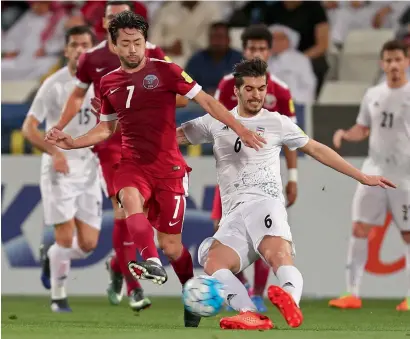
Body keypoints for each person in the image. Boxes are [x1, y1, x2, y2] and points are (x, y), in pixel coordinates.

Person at [45, 11, 264, 326]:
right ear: (115, 45)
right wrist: (72, 141)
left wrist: (240, 128)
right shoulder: (107, 83)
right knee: (129, 198)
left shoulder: (168, 71)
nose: (133, 49)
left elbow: (207, 102)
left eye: (138, 42)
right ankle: (149, 260)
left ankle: (191, 296)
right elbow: (105, 130)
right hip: (132, 163)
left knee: (172, 247)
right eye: (126, 44)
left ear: (145, 42)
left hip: (169, 169)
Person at [177, 58, 395, 330]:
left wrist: (361, 176)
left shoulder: (277, 122)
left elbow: (316, 149)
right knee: (212, 260)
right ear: (236, 91)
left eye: (261, 88)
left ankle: (290, 298)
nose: (257, 95)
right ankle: (249, 313)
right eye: (250, 89)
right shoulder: (217, 121)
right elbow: (174, 138)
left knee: (278, 255)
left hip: (265, 202)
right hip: (233, 214)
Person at [44, 1, 184, 313]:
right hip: (109, 145)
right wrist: (60, 128)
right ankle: (135, 287)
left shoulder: (153, 51)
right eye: (113, 17)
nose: (120, 22)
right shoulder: (91, 58)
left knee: (140, 216)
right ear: (106, 23)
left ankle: (119, 267)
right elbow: (78, 95)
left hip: (149, 146)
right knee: (124, 209)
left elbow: (177, 92)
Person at [212, 23, 298, 312]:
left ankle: (258, 293)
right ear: (244, 50)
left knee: (267, 239)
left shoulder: (281, 92)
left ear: (269, 52)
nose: (257, 52)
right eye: (252, 48)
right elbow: (214, 123)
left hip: (262, 178)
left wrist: (293, 177)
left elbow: (292, 140)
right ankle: (245, 287)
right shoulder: (227, 85)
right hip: (230, 176)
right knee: (222, 232)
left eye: (262, 48)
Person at [21, 26, 100, 312]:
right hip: (59, 167)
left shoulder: (101, 82)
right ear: (66, 50)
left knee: (89, 244)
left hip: (90, 166)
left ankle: (50, 256)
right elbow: (28, 129)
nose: (80, 49)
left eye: (85, 45)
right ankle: (58, 296)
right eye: (75, 44)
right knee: (65, 237)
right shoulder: (53, 84)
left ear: (93, 49)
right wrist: (54, 152)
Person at [329, 39, 410, 312]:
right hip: (373, 172)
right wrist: (344, 134)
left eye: (398, 59)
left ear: (407, 61)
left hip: (405, 176)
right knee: (359, 228)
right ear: (382, 63)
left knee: (409, 234)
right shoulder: (373, 93)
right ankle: (352, 294)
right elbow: (362, 129)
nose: (393, 65)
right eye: (388, 60)